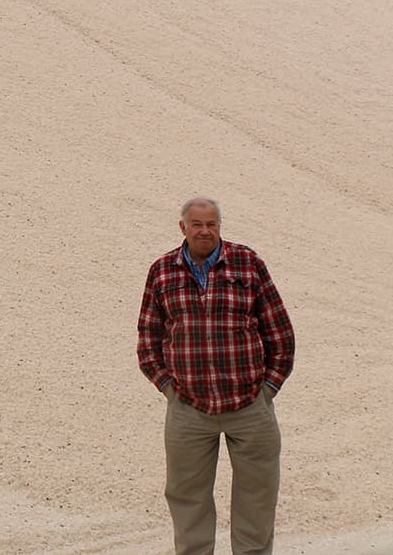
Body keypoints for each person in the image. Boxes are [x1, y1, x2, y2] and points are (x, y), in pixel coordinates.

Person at [137, 197, 296, 555]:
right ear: (183, 228)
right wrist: (168, 388)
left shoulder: (248, 263)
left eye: (211, 224)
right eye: (197, 224)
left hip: (250, 407)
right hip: (188, 408)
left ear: (220, 227)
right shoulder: (162, 272)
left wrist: (267, 390)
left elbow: (280, 334)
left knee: (257, 499)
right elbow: (149, 340)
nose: (205, 231)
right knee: (187, 499)